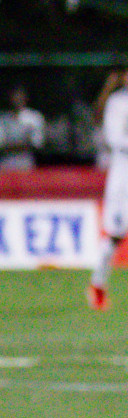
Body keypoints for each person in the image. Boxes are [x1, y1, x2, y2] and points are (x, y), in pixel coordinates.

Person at [88, 69, 128, 311]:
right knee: (116, 233)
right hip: (123, 169)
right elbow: (113, 137)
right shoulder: (117, 101)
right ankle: (97, 284)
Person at [0, 84, 45, 171]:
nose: (17, 99)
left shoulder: (35, 117)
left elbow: (37, 144)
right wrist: (23, 144)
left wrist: (8, 145)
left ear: (25, 98)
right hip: (4, 164)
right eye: (14, 96)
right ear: (9, 98)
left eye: (20, 95)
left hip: (26, 165)